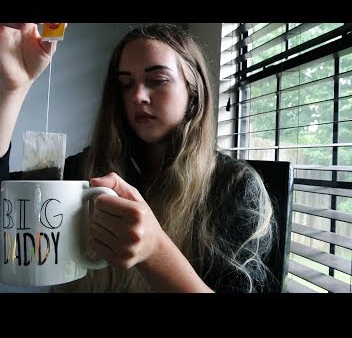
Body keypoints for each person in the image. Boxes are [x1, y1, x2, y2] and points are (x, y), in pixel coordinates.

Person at [0, 23, 276, 293]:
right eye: (125, 84)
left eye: (157, 80)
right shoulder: (89, 170)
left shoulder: (235, 188)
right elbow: (8, 205)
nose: (138, 96)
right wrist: (10, 89)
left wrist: (155, 251)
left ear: (194, 91)